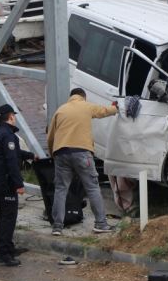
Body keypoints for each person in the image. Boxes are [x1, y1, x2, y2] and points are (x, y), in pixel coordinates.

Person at [47, 88, 117, 236]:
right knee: (92, 187)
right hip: (82, 153)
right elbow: (103, 111)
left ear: (71, 97)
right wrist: (115, 108)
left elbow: (50, 136)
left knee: (60, 189)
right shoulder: (86, 106)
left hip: (61, 152)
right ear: (83, 97)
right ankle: (101, 224)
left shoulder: (60, 110)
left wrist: (53, 154)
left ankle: (57, 227)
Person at [0, 104, 36, 266]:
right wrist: (18, 184)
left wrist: (30, 156)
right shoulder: (8, 136)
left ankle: (7, 247)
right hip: (5, 183)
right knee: (8, 218)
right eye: (14, 116)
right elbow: (11, 161)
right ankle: (3, 254)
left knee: (3, 215)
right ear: (11, 117)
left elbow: (13, 153)